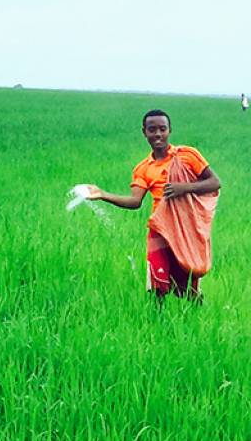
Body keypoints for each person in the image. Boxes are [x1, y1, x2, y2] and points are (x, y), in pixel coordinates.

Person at [85, 110, 221, 300]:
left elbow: (215, 182)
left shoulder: (187, 156)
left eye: (162, 129)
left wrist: (184, 188)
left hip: (183, 228)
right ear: (144, 132)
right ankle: (156, 322)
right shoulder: (144, 168)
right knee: (157, 283)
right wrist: (102, 194)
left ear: (169, 130)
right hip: (159, 229)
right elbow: (134, 201)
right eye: (152, 130)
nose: (158, 134)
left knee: (187, 284)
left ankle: (195, 319)